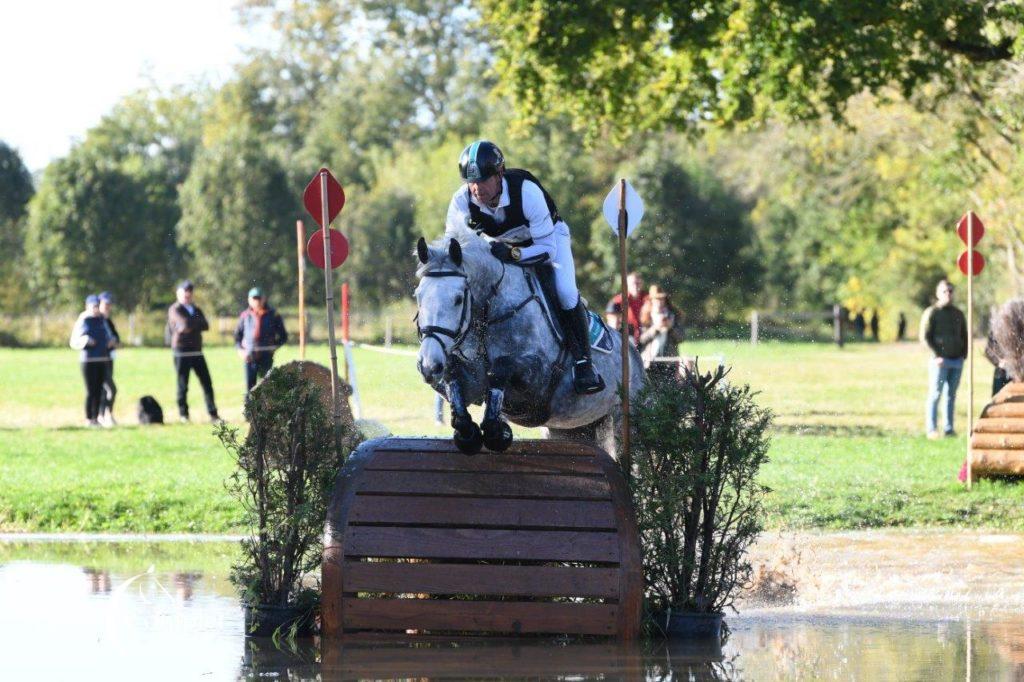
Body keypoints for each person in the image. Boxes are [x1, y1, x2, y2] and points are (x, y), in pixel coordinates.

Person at [445, 140, 604, 394]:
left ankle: (584, 362)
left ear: (500, 174)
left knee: (564, 291)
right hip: (499, 246)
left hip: (548, 240)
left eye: (483, 180)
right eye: (470, 182)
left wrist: (514, 253)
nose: (476, 188)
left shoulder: (526, 192)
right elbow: (453, 249)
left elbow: (547, 250)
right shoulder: (461, 201)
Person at [920, 279, 968, 438]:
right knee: (935, 394)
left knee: (951, 396)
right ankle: (932, 428)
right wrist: (936, 355)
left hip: (956, 361)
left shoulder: (958, 313)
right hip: (940, 361)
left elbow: (964, 335)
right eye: (944, 291)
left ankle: (949, 429)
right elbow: (925, 337)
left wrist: (964, 355)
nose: (948, 294)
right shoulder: (932, 312)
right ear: (938, 293)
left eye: (950, 291)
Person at [167, 280, 220, 423]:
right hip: (181, 351)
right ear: (178, 293)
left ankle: (213, 414)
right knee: (183, 384)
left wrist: (191, 324)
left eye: (189, 292)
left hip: (197, 350)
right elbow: (185, 324)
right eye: (184, 292)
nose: (187, 295)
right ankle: (184, 415)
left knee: (207, 382)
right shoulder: (175, 309)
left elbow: (206, 325)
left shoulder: (195, 309)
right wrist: (195, 323)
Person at [234, 287, 288, 394]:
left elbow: (283, 336)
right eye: (254, 298)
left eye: (259, 298)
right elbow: (237, 337)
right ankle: (249, 409)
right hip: (249, 357)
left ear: (264, 299)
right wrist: (240, 351)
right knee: (250, 389)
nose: (257, 301)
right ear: (249, 300)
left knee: (267, 386)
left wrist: (274, 347)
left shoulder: (273, 315)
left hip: (266, 356)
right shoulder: (245, 315)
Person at [69, 294, 112, 427]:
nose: (96, 308)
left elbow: (108, 335)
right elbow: (74, 342)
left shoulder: (102, 319)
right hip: (88, 361)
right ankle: (89, 418)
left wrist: (111, 341)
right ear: (87, 306)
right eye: (93, 306)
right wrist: (86, 340)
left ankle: (96, 418)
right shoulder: (84, 319)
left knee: (100, 390)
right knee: (91, 390)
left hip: (102, 359)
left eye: (97, 306)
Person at [638, 285, 684, 365]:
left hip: (670, 360)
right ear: (651, 300)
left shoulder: (673, 315)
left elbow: (681, 338)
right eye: (656, 299)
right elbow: (641, 339)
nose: (659, 302)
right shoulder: (646, 317)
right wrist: (655, 328)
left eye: (661, 299)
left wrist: (670, 328)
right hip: (650, 360)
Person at [97, 291, 120, 426]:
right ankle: (102, 415)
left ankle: (107, 414)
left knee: (108, 388)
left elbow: (116, 337)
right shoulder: (96, 320)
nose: (108, 306)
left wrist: (114, 341)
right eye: (105, 304)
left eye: (109, 304)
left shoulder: (108, 321)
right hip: (99, 359)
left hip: (109, 358)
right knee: (107, 388)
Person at [609, 272, 648, 345]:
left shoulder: (647, 298)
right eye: (633, 284)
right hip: (628, 335)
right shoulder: (619, 300)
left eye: (638, 283)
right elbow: (612, 320)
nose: (636, 286)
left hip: (645, 333)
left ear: (641, 284)